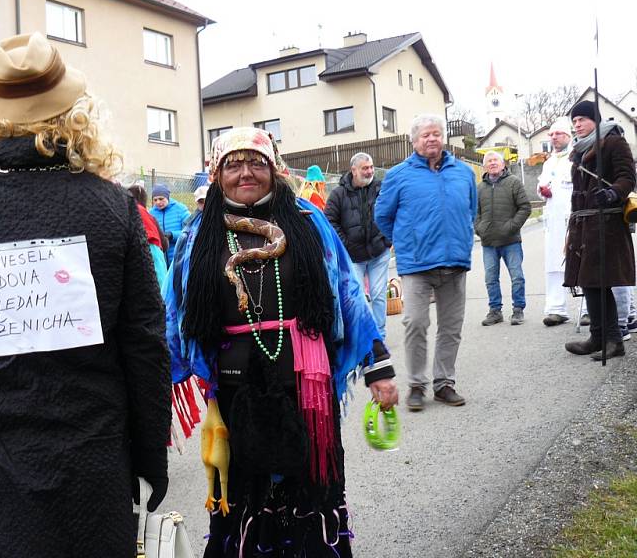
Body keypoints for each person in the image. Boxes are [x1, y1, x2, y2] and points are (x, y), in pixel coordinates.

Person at [0, 32, 171, 557]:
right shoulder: (112, 207)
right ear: (73, 113)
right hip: (94, 463)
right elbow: (144, 345)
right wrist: (148, 455)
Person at [164, 126, 396, 557]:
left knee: (310, 489)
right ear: (217, 174)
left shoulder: (308, 223)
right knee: (243, 494)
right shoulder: (196, 237)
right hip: (234, 391)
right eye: (233, 164)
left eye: (257, 163)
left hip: (306, 386)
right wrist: (157, 390)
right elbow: (173, 314)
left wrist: (378, 365)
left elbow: (349, 295)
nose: (246, 173)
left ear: (274, 169)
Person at [375, 114, 476, 411]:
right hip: (417, 264)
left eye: (436, 134)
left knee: (451, 327)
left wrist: (463, 239)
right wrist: (408, 242)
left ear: (443, 137)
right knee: (415, 323)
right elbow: (382, 216)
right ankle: (416, 385)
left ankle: (444, 384)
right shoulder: (398, 175)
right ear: (414, 141)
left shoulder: (463, 172)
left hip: (455, 262)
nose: (431, 139)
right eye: (425, 135)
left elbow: (471, 210)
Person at [564, 100, 636, 360]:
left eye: (582, 119)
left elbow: (628, 176)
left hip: (607, 223)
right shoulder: (579, 150)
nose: (578, 124)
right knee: (590, 282)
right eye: (574, 121)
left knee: (601, 281)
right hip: (584, 224)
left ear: (595, 120)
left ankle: (615, 340)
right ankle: (597, 336)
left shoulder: (614, 141)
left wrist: (613, 192)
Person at [325, 152, 392, 339]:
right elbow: (329, 221)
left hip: (379, 252)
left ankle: (380, 336)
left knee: (378, 294)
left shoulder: (381, 188)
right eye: (365, 168)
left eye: (371, 167)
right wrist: (345, 245)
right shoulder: (338, 194)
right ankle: (364, 334)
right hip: (353, 256)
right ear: (353, 170)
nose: (370, 171)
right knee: (357, 297)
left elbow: (393, 211)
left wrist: (388, 239)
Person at [476, 151, 531, 326]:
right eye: (489, 161)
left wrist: (511, 226)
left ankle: (518, 310)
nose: (492, 163)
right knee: (490, 278)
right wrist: (480, 229)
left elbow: (525, 207)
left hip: (511, 241)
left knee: (517, 276)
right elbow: (473, 213)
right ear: (484, 166)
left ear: (502, 164)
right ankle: (495, 311)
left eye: (495, 160)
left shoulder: (513, 182)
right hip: (488, 242)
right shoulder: (480, 188)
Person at [537, 118, 575, 326]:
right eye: (551, 135)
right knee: (553, 264)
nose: (554, 138)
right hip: (553, 221)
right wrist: (543, 191)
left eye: (558, 134)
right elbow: (542, 184)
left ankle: (587, 308)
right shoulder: (549, 162)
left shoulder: (577, 157)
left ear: (568, 136)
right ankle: (556, 308)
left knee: (580, 263)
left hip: (572, 219)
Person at [128, 183, 169, 286]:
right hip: (154, 251)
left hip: (135, 252)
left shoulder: (126, 211)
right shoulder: (149, 215)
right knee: (160, 287)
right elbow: (164, 244)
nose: (158, 202)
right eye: (155, 200)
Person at [149, 183, 190, 266]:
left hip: (179, 258)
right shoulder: (151, 213)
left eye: (161, 199)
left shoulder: (181, 209)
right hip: (160, 261)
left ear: (167, 197)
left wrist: (172, 235)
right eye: (155, 200)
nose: (158, 202)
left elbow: (190, 232)